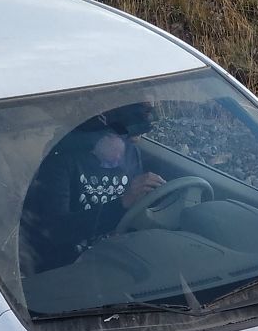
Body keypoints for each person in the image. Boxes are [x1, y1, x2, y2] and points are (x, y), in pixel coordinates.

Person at [21, 105, 169, 270]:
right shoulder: (59, 163)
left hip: (118, 252)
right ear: (102, 134)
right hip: (70, 265)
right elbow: (57, 230)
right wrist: (121, 203)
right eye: (121, 136)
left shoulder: (131, 153)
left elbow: (134, 210)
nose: (125, 146)